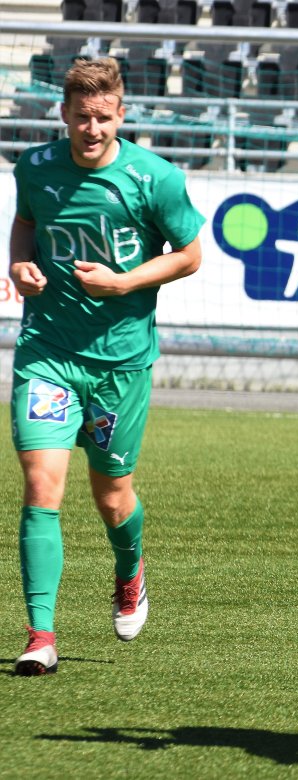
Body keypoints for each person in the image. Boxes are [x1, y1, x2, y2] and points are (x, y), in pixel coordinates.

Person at [7, 57, 205, 675]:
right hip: (47, 353)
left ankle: (130, 568)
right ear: (63, 114)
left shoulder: (155, 178)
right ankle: (41, 635)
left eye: (103, 117)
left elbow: (190, 255)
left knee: (113, 496)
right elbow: (26, 224)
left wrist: (122, 283)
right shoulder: (35, 167)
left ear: (121, 114)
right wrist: (18, 265)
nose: (91, 129)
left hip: (120, 363)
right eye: (81, 117)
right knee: (41, 486)